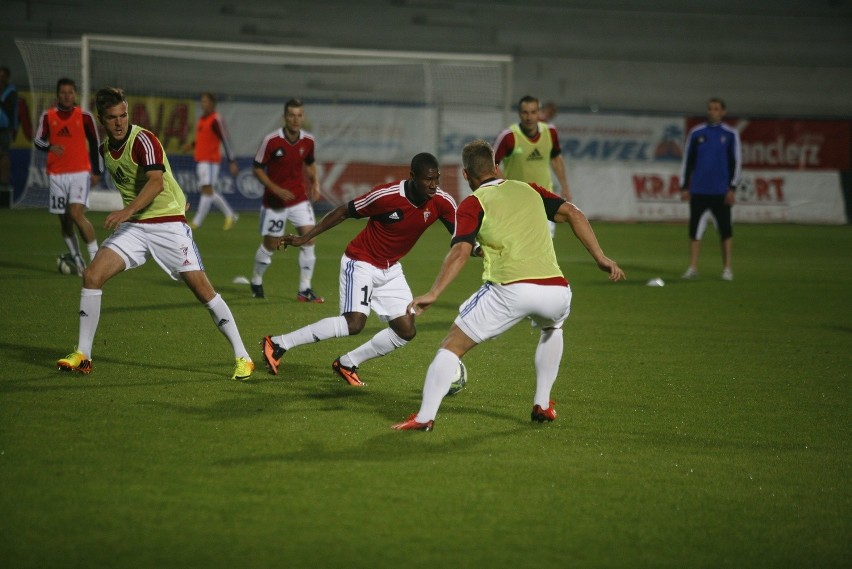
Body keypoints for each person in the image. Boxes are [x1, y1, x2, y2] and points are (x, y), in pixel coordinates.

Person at [392, 139, 625, 431]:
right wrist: (600, 257)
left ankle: (425, 417)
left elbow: (461, 250)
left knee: (451, 346)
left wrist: (434, 292)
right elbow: (574, 214)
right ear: (497, 168)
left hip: (510, 289)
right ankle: (542, 403)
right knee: (552, 327)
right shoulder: (529, 189)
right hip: (556, 291)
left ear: (466, 175)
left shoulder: (472, 203)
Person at [56, 87, 254, 381]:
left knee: (203, 290)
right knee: (92, 276)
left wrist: (128, 211)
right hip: (136, 227)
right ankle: (84, 355)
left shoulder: (143, 140)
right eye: (112, 118)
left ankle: (243, 356)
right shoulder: (105, 150)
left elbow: (157, 183)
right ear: (101, 119)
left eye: (124, 115)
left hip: (168, 225)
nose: (120, 122)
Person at [261, 152, 456, 387]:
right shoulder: (386, 196)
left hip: (390, 269)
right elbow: (343, 211)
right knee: (354, 323)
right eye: (428, 179)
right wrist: (306, 237)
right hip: (361, 261)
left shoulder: (442, 201)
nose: (434, 185)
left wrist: (480, 248)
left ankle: (348, 363)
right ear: (413, 176)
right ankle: (279, 343)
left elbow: (462, 235)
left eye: (437, 178)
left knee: (406, 330)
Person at [249, 98, 322, 302]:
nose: (295, 119)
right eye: (291, 115)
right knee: (271, 245)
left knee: (310, 237)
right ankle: (256, 279)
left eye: (299, 115)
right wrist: (275, 188)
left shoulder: (308, 141)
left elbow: (310, 163)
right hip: (275, 202)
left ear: (303, 117)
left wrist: (315, 182)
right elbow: (256, 168)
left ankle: (304, 289)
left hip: (299, 199)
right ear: (284, 117)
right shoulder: (271, 140)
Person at [34, 78, 103, 274]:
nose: (66, 96)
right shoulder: (48, 116)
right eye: (63, 92)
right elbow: (38, 141)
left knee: (75, 214)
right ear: (57, 95)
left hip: (80, 173)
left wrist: (97, 171)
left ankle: (96, 258)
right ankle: (77, 259)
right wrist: (50, 146)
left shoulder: (85, 116)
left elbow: (95, 143)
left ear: (75, 95)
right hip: (56, 175)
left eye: (70, 92)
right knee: (64, 221)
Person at [679, 97, 741, 281]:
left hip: (721, 191)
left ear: (723, 112)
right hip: (699, 190)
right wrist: (684, 186)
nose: (712, 111)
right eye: (710, 108)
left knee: (725, 231)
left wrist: (732, 187)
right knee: (695, 231)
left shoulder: (730, 134)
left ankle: (727, 269)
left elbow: (736, 162)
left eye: (716, 108)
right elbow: (687, 161)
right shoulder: (697, 133)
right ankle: (693, 268)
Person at [494, 95, 571, 238]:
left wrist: (565, 186)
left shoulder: (550, 132)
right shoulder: (508, 136)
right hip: (517, 200)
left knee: (545, 243)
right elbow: (492, 165)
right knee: (518, 244)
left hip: (545, 198)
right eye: (525, 112)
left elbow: (556, 159)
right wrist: (507, 187)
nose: (529, 117)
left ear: (539, 113)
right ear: (519, 113)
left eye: (533, 112)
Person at [183, 92, 239, 230]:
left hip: (210, 161)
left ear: (213, 103)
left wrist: (232, 161)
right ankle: (227, 215)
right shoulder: (202, 119)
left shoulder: (216, 119)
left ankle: (199, 221)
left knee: (207, 190)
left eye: (206, 101)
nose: (203, 104)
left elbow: (225, 139)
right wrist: (192, 145)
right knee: (206, 191)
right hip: (202, 159)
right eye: (202, 101)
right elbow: (204, 139)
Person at [0, 66, 18, 193]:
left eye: (2, 76)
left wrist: (14, 128)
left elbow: (13, 110)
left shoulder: (11, 91)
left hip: (4, 127)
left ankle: (4, 182)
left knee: (4, 154)